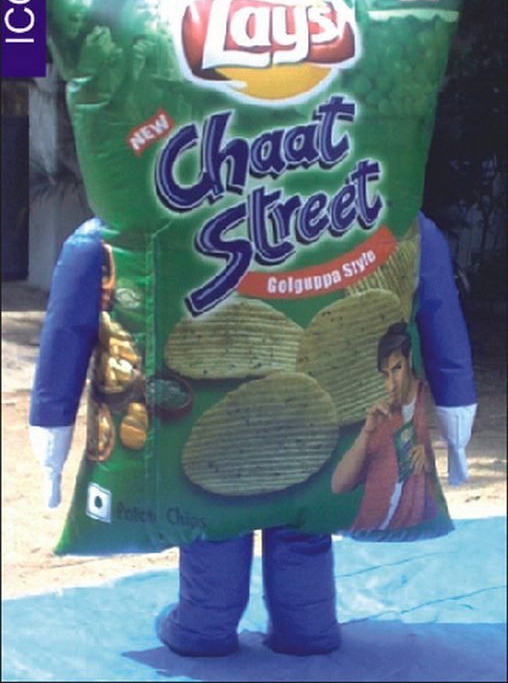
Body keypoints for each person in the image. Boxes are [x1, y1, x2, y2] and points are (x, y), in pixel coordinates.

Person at [29, 211, 477, 656]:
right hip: (295, 442)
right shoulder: (398, 222)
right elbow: (442, 319)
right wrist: (457, 421)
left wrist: (51, 428)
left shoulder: (117, 230)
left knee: (216, 523)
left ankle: (206, 624)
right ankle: (306, 625)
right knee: (301, 523)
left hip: (252, 444)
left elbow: (68, 327)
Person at [331, 321, 439, 532]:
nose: (391, 385)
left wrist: (430, 463)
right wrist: (367, 432)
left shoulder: (427, 404)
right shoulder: (384, 417)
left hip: (415, 531)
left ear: (410, 359)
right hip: (369, 532)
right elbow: (339, 485)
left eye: (397, 369)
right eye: (385, 375)